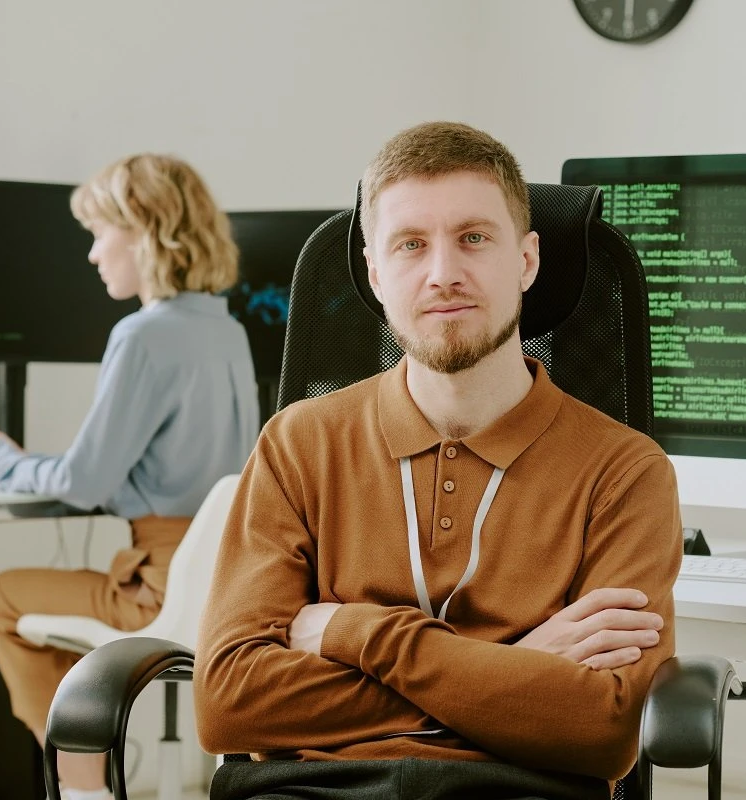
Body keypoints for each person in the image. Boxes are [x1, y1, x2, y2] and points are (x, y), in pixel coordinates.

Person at [194, 121, 682, 800]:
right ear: (374, 271)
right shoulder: (297, 444)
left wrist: (350, 630)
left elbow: (602, 728)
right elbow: (228, 703)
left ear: (527, 261)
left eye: (474, 238)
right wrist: (507, 669)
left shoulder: (626, 470)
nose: (443, 272)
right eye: (411, 244)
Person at [0, 154, 260, 800]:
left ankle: (81, 785)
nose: (94, 255)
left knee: (3, 597)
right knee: (51, 616)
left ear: (146, 231)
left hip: (156, 585)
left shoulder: (143, 335)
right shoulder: (226, 330)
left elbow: (83, 480)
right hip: (225, 581)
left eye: (100, 233)